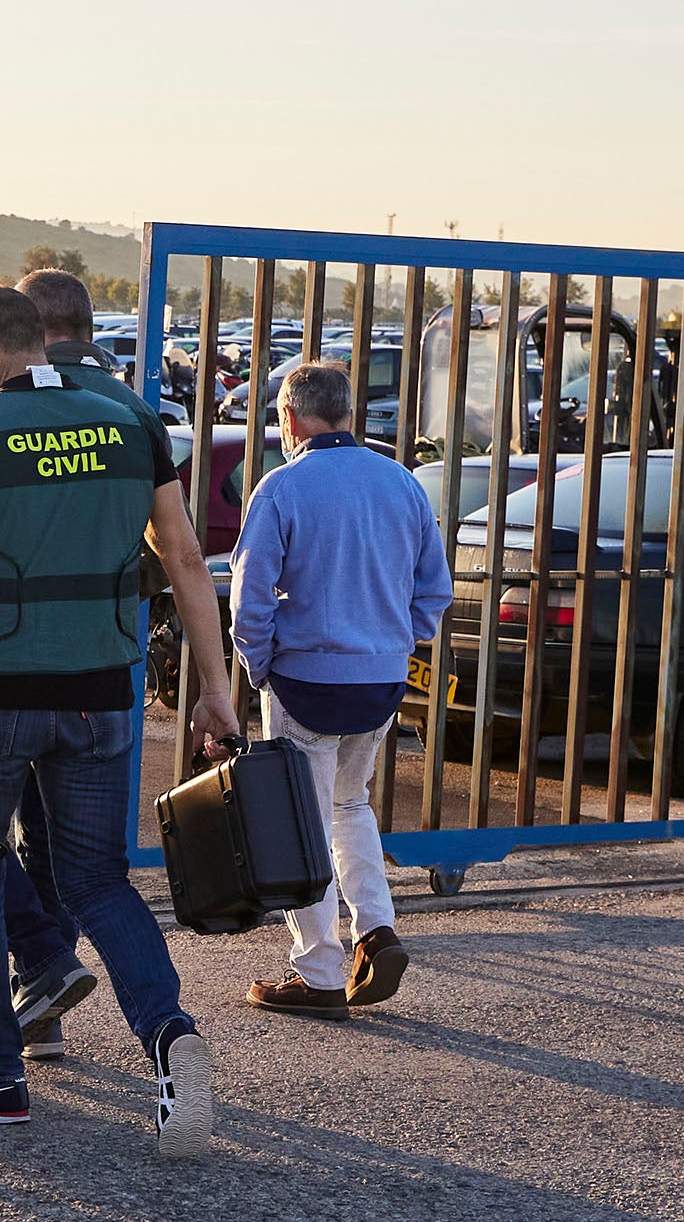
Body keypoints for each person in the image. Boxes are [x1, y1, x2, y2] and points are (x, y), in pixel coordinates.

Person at [0, 285, 236, 1155]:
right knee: (98, 881)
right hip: (100, 696)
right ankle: (170, 1034)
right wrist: (215, 688)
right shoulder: (134, 423)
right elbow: (184, 557)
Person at [0, 268, 179, 1063]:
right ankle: (149, 1024)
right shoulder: (135, 413)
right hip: (106, 665)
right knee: (89, 863)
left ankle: (41, 979)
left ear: (24, 326)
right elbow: (173, 553)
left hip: (4, 664)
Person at [229, 364, 453, 1020]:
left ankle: (319, 972)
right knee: (350, 804)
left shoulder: (282, 487)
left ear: (290, 417)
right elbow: (434, 590)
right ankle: (376, 931)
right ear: (348, 413)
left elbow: (248, 599)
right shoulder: (401, 482)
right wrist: (394, 641)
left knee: (302, 822)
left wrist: (259, 668)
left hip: (304, 680)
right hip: (380, 679)